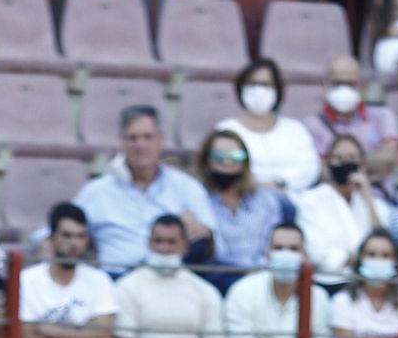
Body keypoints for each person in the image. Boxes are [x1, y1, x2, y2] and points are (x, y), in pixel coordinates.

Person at [71, 103, 215, 277]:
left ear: (160, 139)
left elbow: (211, 237)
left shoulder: (186, 187)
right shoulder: (97, 191)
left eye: (147, 137)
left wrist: (198, 229)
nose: (140, 145)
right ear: (122, 141)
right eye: (132, 138)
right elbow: (59, 230)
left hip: (174, 278)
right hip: (118, 279)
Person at [112, 214, 227, 338]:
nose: (164, 248)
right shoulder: (127, 286)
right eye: (158, 241)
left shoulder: (205, 290)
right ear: (149, 243)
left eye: (171, 242)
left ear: (185, 246)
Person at [223, 223, 341, 338]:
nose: (285, 255)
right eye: (278, 248)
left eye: (293, 249)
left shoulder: (318, 296)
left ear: (304, 255)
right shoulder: (242, 290)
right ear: (267, 253)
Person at [17, 203, 117, 338]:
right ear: (52, 238)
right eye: (67, 235)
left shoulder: (100, 280)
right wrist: (82, 335)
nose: (74, 243)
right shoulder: (26, 280)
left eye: (80, 236)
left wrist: (48, 330)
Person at [297, 132, 398, 285]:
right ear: (328, 163)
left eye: (352, 158)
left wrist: (367, 196)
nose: (346, 164)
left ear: (363, 163)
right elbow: (318, 253)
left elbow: (384, 245)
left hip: (369, 284)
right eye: (339, 159)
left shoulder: (376, 204)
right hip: (329, 281)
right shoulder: (310, 200)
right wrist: (361, 259)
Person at [193, 127, 291, 286]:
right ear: (207, 161)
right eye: (219, 156)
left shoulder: (266, 199)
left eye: (235, 156)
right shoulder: (197, 200)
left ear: (245, 162)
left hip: (263, 276)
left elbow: (272, 245)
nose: (227, 162)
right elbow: (212, 253)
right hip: (218, 278)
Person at [225, 59, 319, 197]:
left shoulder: (295, 130)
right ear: (241, 88)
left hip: (292, 198)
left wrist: (281, 183)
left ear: (277, 90)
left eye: (265, 85)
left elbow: (310, 168)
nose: (258, 90)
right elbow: (226, 167)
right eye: (252, 84)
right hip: (244, 198)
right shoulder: (227, 131)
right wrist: (258, 186)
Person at [304, 55, 398, 184]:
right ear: (324, 85)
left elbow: (388, 158)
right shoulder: (312, 125)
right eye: (337, 83)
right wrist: (369, 165)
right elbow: (319, 172)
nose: (344, 89)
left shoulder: (382, 116)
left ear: (361, 85)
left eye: (350, 84)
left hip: (378, 197)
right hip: (334, 198)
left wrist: (339, 164)